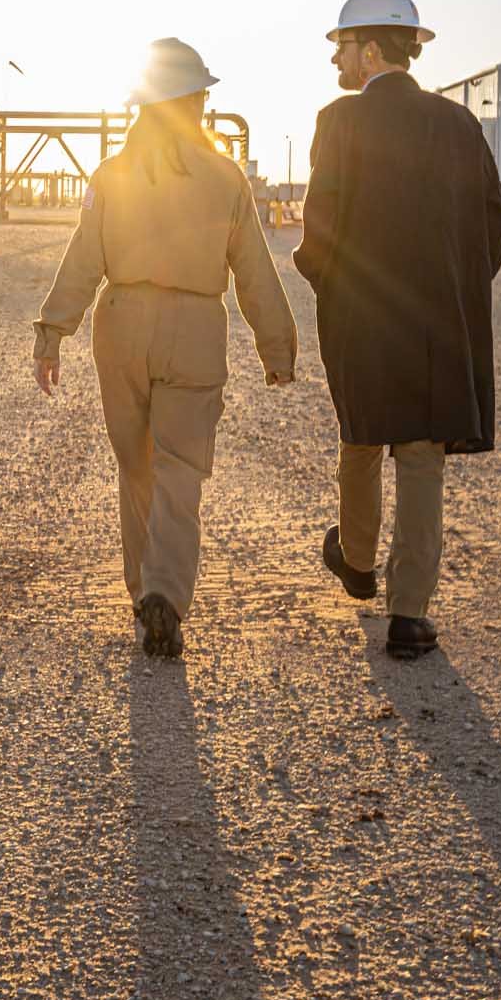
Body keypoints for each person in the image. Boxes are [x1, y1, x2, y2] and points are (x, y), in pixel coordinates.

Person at [33, 38, 298, 658]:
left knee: (137, 467)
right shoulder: (226, 178)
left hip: (121, 322)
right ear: (198, 102)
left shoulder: (112, 174)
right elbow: (254, 269)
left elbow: (82, 260)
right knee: (181, 470)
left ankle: (140, 592)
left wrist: (52, 331)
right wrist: (276, 348)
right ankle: (166, 594)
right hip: (194, 325)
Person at [296, 0, 501, 660]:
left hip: (363, 318)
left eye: (342, 48)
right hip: (438, 322)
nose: (337, 62)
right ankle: (410, 614)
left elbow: (318, 229)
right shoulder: (459, 125)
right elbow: (493, 225)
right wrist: (456, 288)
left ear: (368, 49)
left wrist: (326, 279)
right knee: (421, 458)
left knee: (361, 439)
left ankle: (357, 561)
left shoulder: (339, 122)